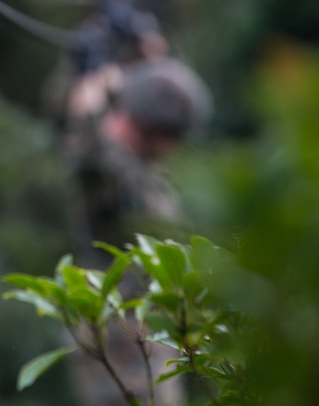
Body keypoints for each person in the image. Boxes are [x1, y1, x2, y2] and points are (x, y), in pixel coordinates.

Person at [56, 52, 211, 406]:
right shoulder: (112, 169)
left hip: (140, 335)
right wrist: (93, 90)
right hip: (121, 337)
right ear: (156, 133)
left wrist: (132, 64)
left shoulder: (135, 168)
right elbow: (89, 148)